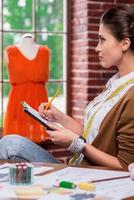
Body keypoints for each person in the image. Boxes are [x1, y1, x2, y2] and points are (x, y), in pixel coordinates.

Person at [1, 5, 134, 169]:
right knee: (10, 142)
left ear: (125, 44)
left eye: (102, 39)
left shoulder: (131, 93)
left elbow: (125, 165)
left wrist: (77, 145)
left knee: (11, 144)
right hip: (77, 168)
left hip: (91, 176)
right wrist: (59, 117)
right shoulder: (115, 83)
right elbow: (92, 135)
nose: (97, 47)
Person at [3, 33, 50, 143]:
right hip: (18, 102)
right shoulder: (10, 52)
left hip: (39, 102)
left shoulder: (44, 52)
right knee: (16, 143)